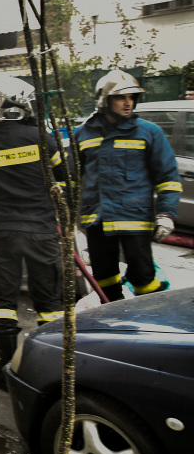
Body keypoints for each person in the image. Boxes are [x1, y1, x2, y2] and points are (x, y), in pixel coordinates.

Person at [0, 76, 64, 390]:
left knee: (2, 303)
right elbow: (64, 179)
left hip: (2, 234)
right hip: (43, 232)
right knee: (49, 305)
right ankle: (54, 371)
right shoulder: (44, 139)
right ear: (22, 104)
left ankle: (5, 370)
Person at [75, 69, 181, 301]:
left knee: (144, 277)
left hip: (134, 218)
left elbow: (168, 177)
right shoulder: (82, 134)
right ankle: (114, 323)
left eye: (132, 97)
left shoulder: (149, 133)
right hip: (97, 220)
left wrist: (166, 214)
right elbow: (70, 177)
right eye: (121, 97)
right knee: (104, 277)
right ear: (105, 100)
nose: (128, 103)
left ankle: (150, 323)